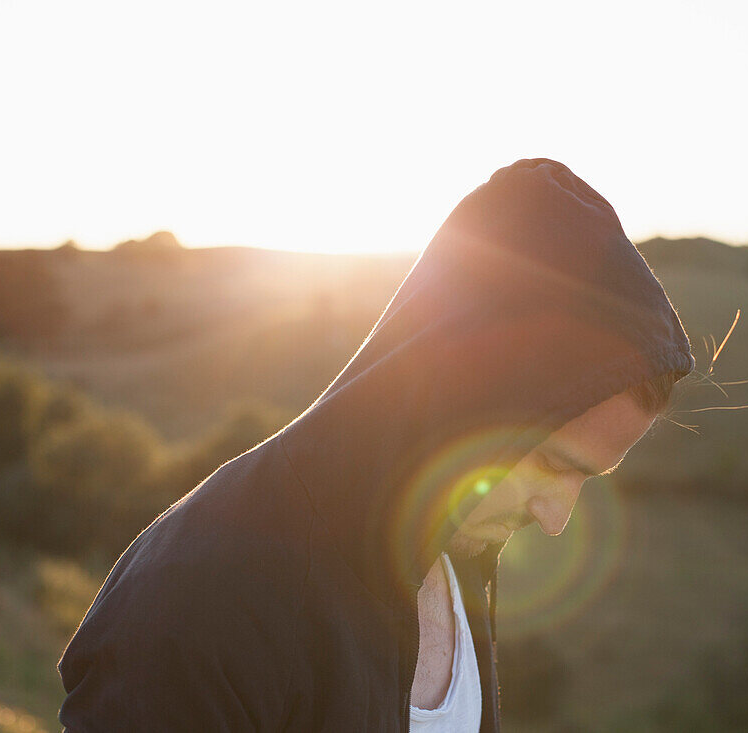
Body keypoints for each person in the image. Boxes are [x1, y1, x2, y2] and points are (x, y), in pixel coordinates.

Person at [57, 158, 695, 732]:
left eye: (590, 479)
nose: (556, 520)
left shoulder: (454, 553)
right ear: (465, 394)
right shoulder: (198, 601)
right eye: (553, 463)